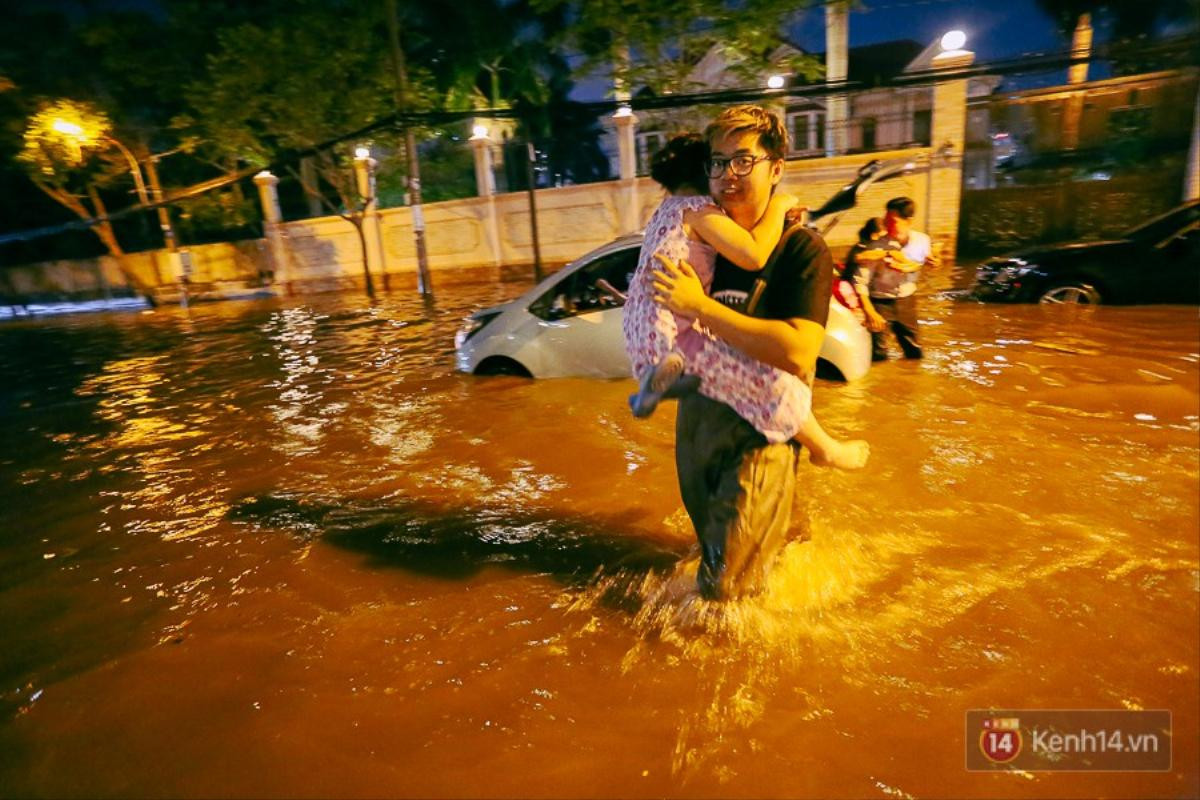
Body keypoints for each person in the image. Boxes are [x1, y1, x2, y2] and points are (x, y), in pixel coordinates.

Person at [648, 104, 841, 601]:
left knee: (724, 596)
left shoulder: (801, 249)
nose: (727, 175)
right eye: (717, 161)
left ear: (776, 169)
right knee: (747, 563)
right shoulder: (703, 240)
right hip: (698, 428)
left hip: (761, 436)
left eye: (743, 161)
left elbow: (799, 353)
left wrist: (701, 308)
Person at [623, 133, 868, 467]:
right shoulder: (700, 212)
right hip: (676, 332)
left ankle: (653, 385)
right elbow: (753, 253)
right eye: (720, 165)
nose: (728, 177)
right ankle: (825, 448)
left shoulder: (662, 214)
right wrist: (779, 204)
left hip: (642, 328)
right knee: (771, 382)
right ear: (705, 173)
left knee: (715, 373)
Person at [865, 197, 940, 361]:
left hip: (907, 300)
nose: (886, 224)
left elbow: (924, 261)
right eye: (886, 219)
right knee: (878, 354)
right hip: (880, 300)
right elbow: (861, 279)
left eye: (892, 221)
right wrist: (869, 310)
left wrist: (933, 261)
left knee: (914, 351)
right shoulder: (876, 246)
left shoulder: (922, 241)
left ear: (909, 221)